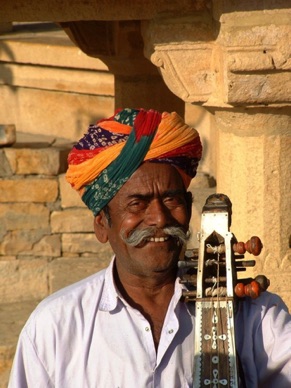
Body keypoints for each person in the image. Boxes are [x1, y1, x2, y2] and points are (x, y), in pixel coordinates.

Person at [8, 108, 291, 387]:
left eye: (171, 200)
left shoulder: (258, 319)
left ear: (189, 208)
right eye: (137, 203)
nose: (159, 218)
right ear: (102, 225)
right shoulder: (55, 327)